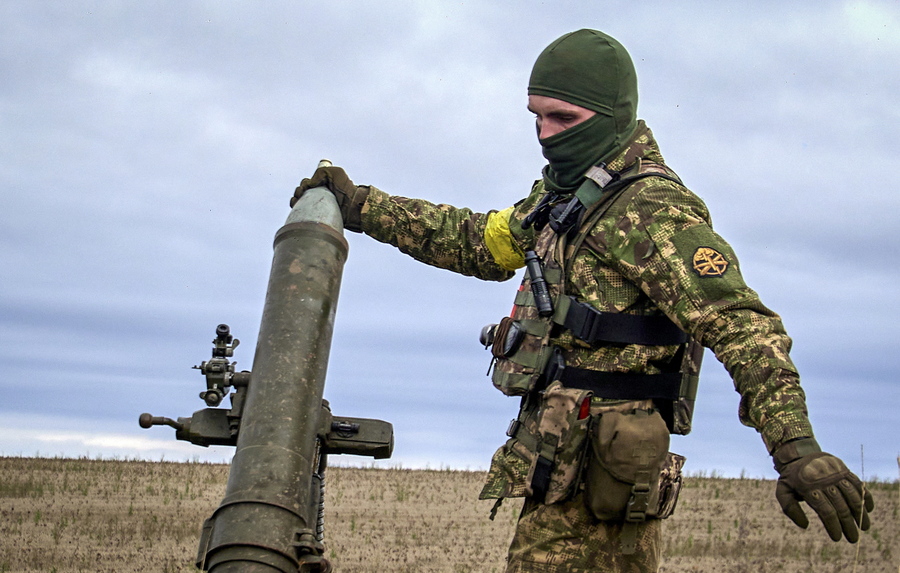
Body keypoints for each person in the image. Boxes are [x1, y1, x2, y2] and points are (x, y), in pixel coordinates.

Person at [291, 29, 873, 573]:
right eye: (536, 117)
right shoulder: (563, 195)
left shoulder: (651, 209)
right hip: (561, 466)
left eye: (563, 117)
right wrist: (363, 205)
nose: (545, 133)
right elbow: (480, 242)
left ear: (613, 116)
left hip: (601, 481)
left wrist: (796, 446)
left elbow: (743, 327)